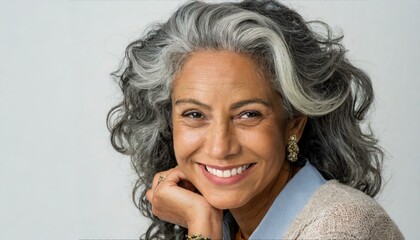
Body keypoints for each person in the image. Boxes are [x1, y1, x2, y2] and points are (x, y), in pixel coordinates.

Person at [107, 0, 403, 239]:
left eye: (248, 115)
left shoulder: (344, 228)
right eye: (195, 115)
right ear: (169, 123)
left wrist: (201, 228)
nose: (220, 147)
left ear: (294, 123)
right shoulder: (229, 225)